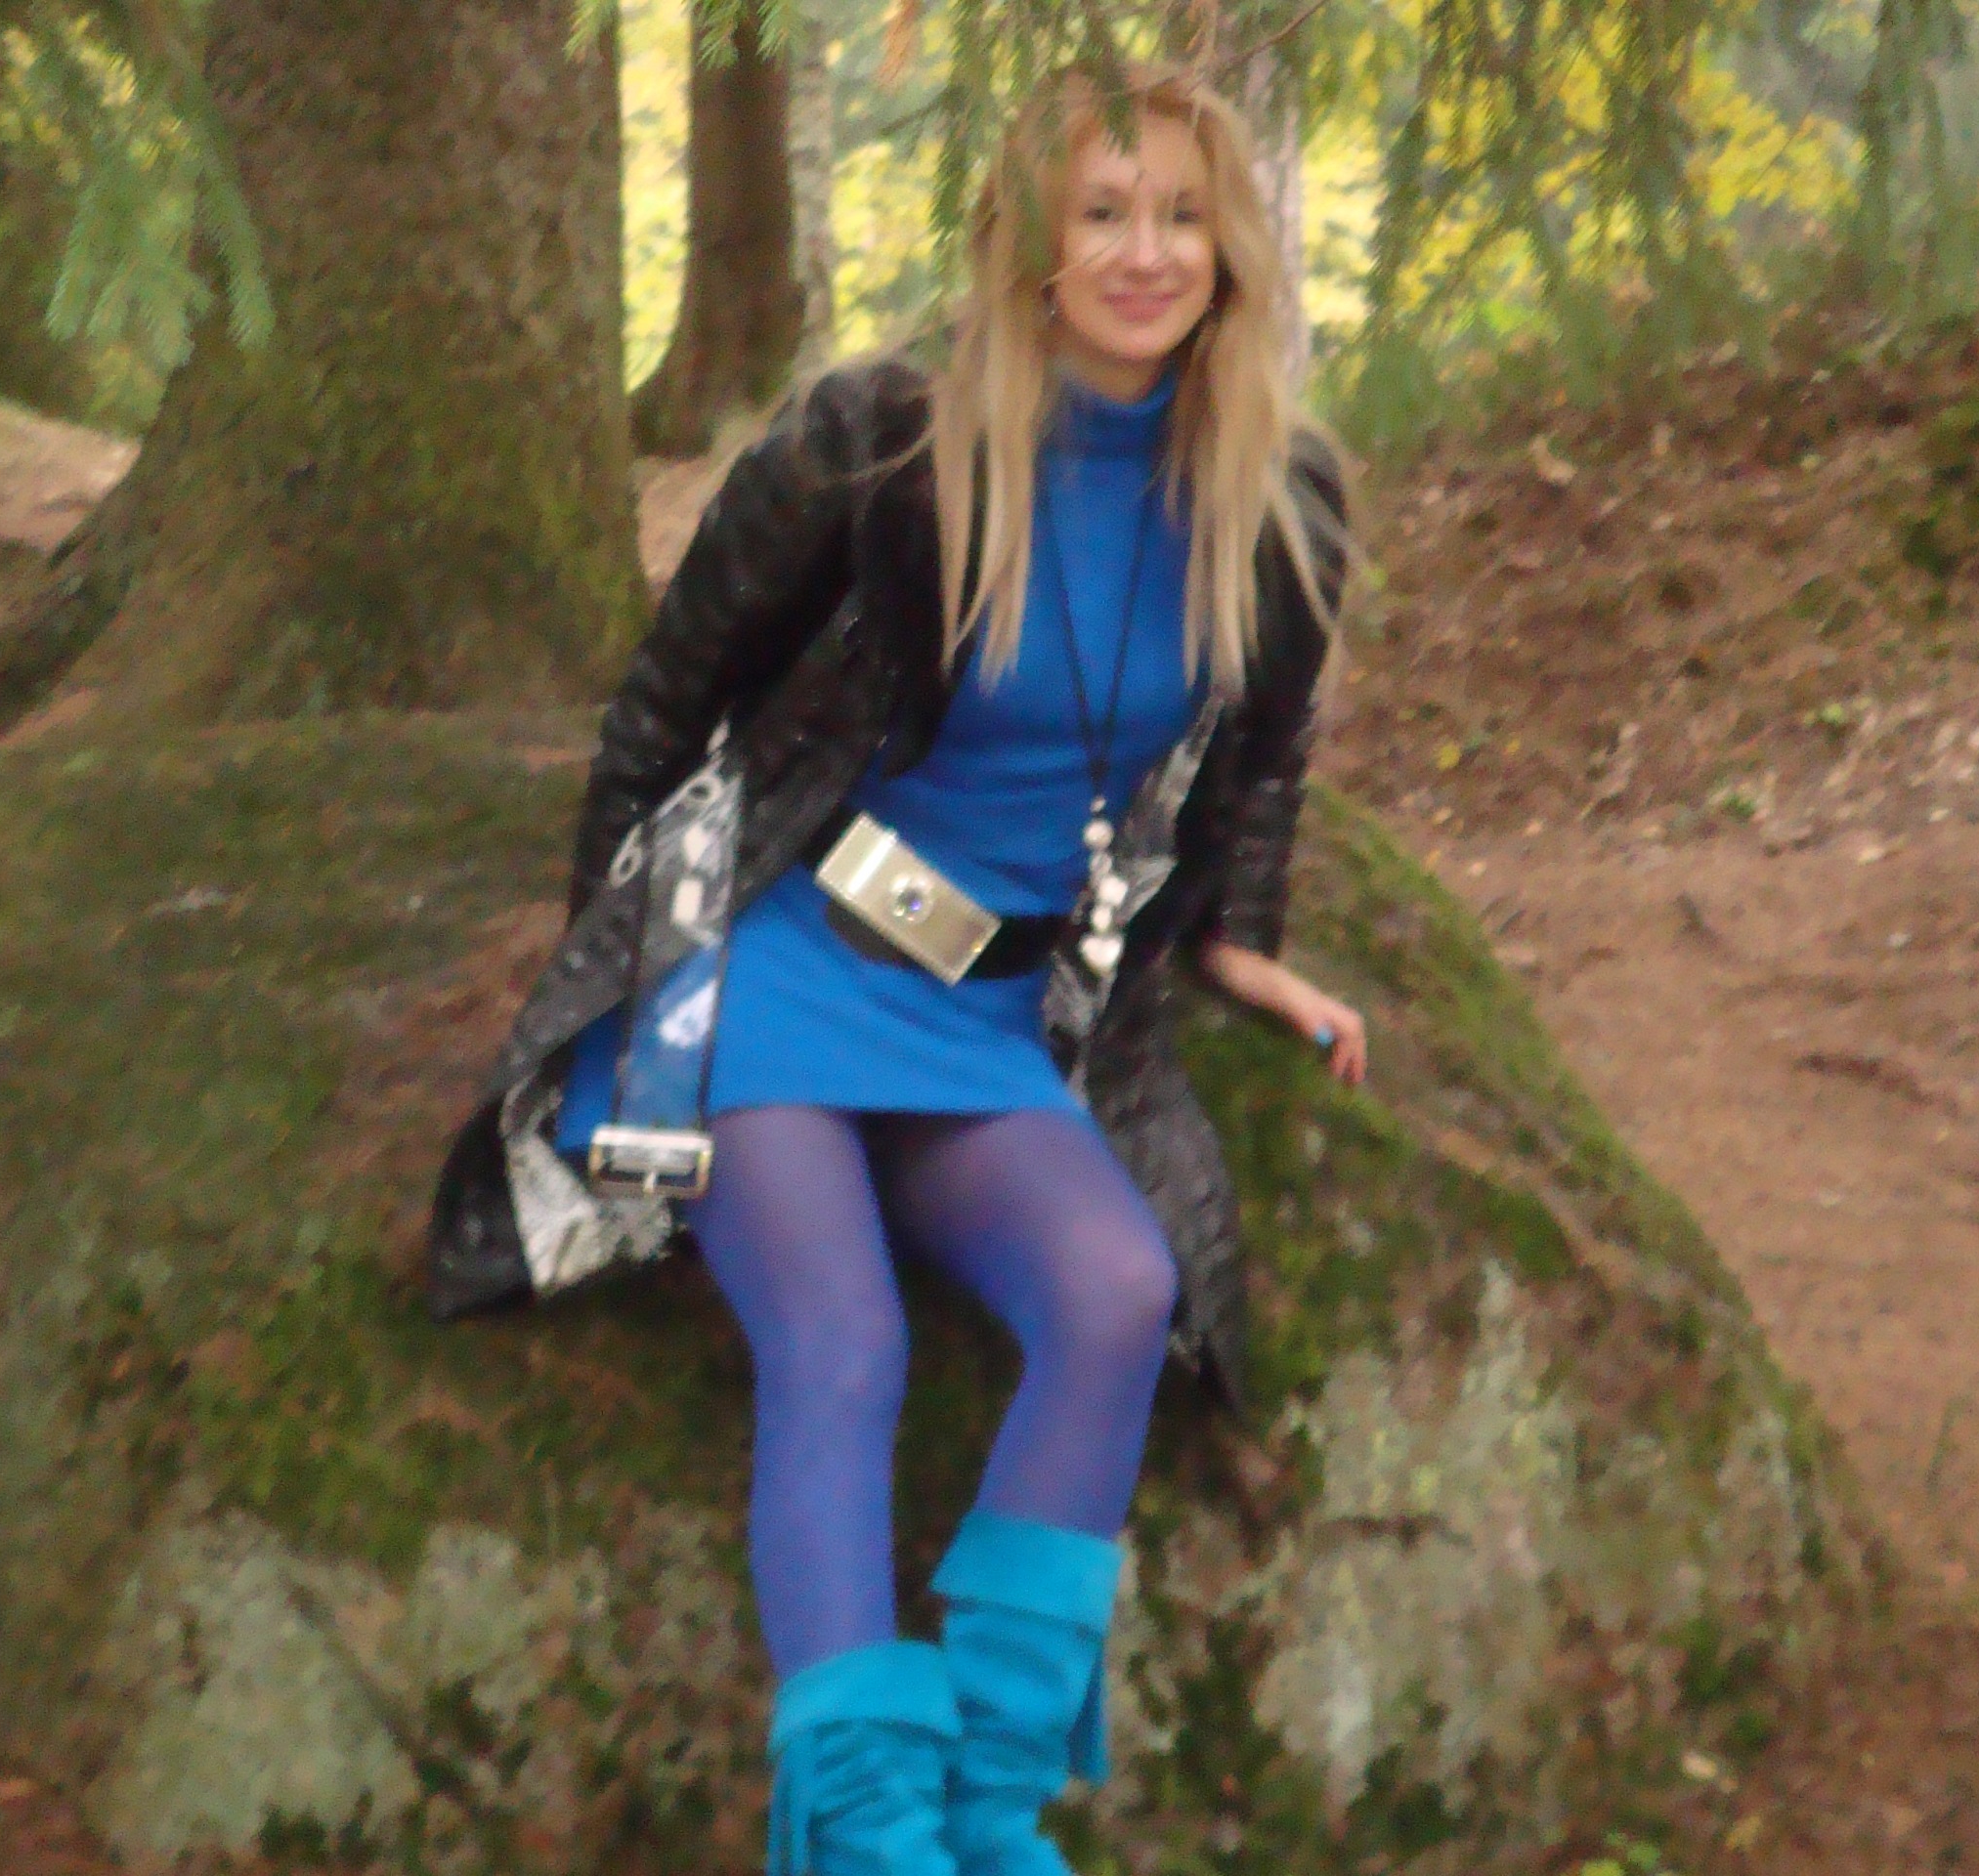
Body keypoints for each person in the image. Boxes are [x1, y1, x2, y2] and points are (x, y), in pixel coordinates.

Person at [426, 58, 1362, 1876]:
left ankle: (991, 1811)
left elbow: (1263, 754)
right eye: (1106, 212)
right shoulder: (885, 443)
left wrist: (1242, 946)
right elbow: (665, 702)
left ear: (1235, 248)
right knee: (843, 1339)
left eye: (1183, 215)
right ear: (1032, 240)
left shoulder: (1274, 494)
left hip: (986, 1011)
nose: (1147, 252)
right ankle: (866, 1835)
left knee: (1117, 1289)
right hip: (779, 961)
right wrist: (618, 964)